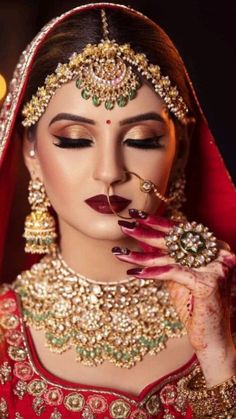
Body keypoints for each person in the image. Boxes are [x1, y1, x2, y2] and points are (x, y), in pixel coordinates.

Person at [0, 3, 235, 418]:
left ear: (179, 153)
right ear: (31, 152)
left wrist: (219, 357)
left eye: (142, 139)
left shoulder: (223, 312)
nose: (110, 172)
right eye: (74, 139)